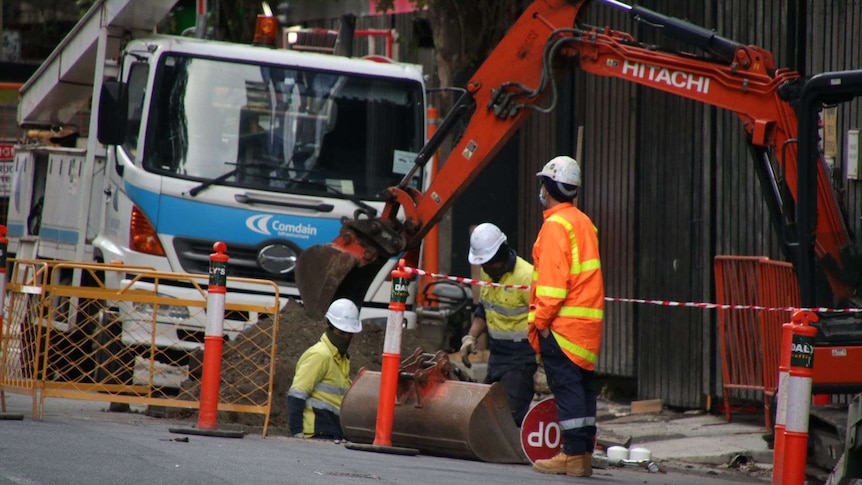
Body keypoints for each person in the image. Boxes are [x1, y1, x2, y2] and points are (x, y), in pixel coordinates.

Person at [528, 155, 604, 477]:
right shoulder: (584, 222)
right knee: (583, 390)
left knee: (568, 390)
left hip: (562, 326)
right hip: (587, 326)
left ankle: (572, 456)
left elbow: (553, 286)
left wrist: (540, 322)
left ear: (547, 187)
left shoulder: (555, 227)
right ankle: (583, 455)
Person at [460, 223, 537, 426]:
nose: (485, 268)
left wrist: (546, 363)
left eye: (488, 263)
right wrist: (471, 337)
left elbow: (545, 319)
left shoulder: (527, 277)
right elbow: (484, 309)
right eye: (482, 264)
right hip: (498, 353)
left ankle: (510, 454)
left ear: (501, 255)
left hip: (522, 355)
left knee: (510, 416)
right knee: (489, 410)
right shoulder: (488, 273)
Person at [287, 298, 362, 440]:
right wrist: (297, 432)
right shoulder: (320, 355)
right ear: (328, 324)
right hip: (317, 432)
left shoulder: (341, 358)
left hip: (333, 432)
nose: (346, 338)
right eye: (342, 333)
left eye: (350, 334)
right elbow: (297, 395)